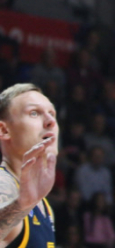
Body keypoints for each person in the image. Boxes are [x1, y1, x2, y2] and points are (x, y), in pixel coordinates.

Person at [0, 84, 59, 248]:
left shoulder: (42, 203)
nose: (51, 121)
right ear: (4, 130)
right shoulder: (4, 186)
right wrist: (20, 206)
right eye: (34, 113)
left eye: (52, 113)